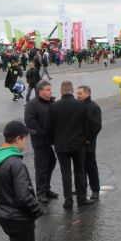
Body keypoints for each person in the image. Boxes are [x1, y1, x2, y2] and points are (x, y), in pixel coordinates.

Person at [50, 81, 93, 210]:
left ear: (61, 91)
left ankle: (68, 201)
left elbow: (50, 127)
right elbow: (89, 124)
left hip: (61, 145)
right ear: (72, 90)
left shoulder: (54, 106)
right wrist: (86, 138)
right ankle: (81, 199)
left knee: (65, 173)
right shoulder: (81, 105)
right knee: (79, 171)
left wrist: (55, 140)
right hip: (78, 144)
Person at [25, 81, 58, 203]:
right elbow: (30, 122)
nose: (51, 91)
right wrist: (43, 133)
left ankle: (46, 188)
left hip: (50, 141)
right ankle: (41, 192)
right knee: (41, 167)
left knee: (51, 163)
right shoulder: (32, 104)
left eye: (50, 89)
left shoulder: (51, 103)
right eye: (48, 89)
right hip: (40, 141)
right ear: (40, 91)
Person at [77, 85, 102, 200]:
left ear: (88, 93)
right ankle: (81, 188)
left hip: (88, 143)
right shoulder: (77, 105)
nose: (78, 96)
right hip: (78, 142)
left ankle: (95, 189)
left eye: (80, 93)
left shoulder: (94, 107)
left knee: (91, 167)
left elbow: (97, 126)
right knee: (79, 168)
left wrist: (89, 139)